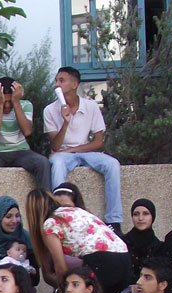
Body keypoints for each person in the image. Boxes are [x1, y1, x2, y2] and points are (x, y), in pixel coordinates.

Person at [0, 77, 51, 232]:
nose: (6, 106)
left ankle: (47, 214)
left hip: (22, 152)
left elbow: (27, 131)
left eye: (9, 102)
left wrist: (16, 103)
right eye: (3, 101)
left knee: (42, 162)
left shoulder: (25, 105)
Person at [43, 66, 122, 227]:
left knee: (112, 164)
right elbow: (56, 146)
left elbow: (98, 142)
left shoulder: (90, 106)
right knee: (57, 164)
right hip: (62, 154)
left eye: (62, 80)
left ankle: (114, 221)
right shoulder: (50, 110)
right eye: (56, 80)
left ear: (74, 84)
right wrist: (65, 122)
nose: (57, 84)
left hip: (85, 150)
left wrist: (72, 150)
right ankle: (61, 216)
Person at [23, 188, 132, 293]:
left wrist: (66, 291)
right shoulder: (75, 211)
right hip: (124, 256)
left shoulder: (50, 224)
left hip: (101, 261)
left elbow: (61, 268)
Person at [122, 199, 164, 284]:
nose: (140, 218)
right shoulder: (122, 243)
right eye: (136, 214)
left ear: (152, 216)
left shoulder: (159, 247)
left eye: (146, 214)